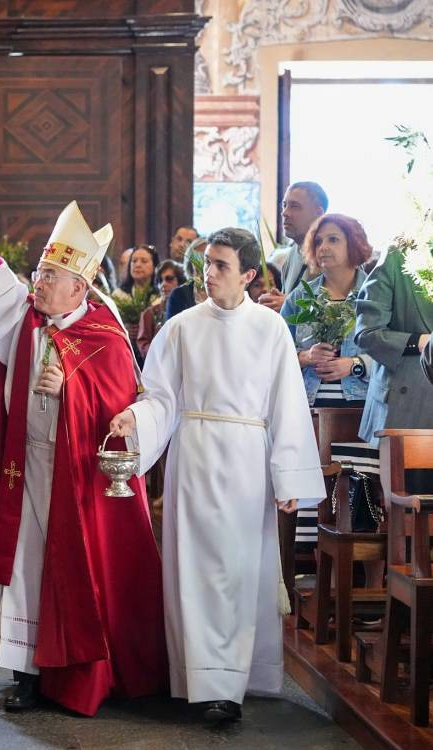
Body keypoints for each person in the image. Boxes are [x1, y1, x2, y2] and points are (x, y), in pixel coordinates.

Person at [0, 181, 168, 716]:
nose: (38, 281)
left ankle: (76, 671)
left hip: (76, 479)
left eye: (50, 276)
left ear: (80, 288)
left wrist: (71, 389)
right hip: (26, 466)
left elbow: (121, 409)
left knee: (73, 572)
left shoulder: (106, 336)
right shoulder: (26, 318)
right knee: (24, 568)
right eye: (38, 272)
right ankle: (25, 675)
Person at [109, 227, 325, 724]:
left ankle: (234, 680)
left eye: (221, 265)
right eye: (206, 264)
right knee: (196, 568)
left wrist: (289, 478)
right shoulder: (182, 326)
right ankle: (203, 681)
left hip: (249, 459)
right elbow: (161, 397)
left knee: (239, 569)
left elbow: (287, 405)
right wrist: (135, 420)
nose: (209, 274)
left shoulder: (271, 330)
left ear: (250, 274)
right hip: (195, 457)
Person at [280, 214, 376, 570]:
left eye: (333, 239)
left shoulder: (375, 295)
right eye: (319, 241)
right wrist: (305, 357)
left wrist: (354, 364)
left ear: (354, 245)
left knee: (365, 497)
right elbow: (277, 356)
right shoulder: (300, 298)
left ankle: (368, 590)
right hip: (314, 409)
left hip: (362, 411)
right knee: (317, 497)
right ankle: (325, 584)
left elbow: (393, 355)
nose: (323, 248)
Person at [353, 226, 433, 492]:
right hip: (409, 410)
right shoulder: (401, 255)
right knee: (412, 519)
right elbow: (368, 333)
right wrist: (420, 341)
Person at [258, 181, 328, 313]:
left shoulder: (334, 254)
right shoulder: (292, 253)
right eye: (284, 205)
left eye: (295, 206)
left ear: (318, 213)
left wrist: (290, 305)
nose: (285, 213)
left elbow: (344, 311)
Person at [136, 259, 184, 358]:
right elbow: (143, 345)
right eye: (160, 281)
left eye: (169, 279)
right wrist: (159, 353)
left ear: (180, 281)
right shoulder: (149, 313)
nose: (163, 284)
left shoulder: (189, 310)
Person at [165, 237, 208, 320]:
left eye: (206, 258)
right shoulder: (179, 294)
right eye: (198, 257)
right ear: (190, 263)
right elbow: (172, 330)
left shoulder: (223, 294)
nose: (202, 262)